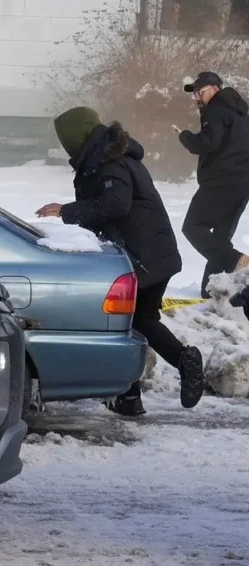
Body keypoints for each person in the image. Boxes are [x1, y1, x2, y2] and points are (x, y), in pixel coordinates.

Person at [37, 106, 206, 416]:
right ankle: (131, 396)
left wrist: (66, 211)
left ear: (77, 136)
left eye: (65, 139)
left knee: (130, 321)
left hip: (144, 257)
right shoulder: (106, 155)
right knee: (135, 321)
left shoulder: (109, 161)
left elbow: (116, 205)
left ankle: (176, 365)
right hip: (149, 253)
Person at [177, 72, 249, 298]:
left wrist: (185, 137)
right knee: (219, 240)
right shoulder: (241, 112)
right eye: (195, 94)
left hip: (221, 182)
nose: (197, 97)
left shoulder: (217, 109)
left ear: (216, 89)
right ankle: (210, 292)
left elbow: (206, 143)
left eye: (201, 92)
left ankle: (238, 261)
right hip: (242, 184)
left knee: (192, 227)